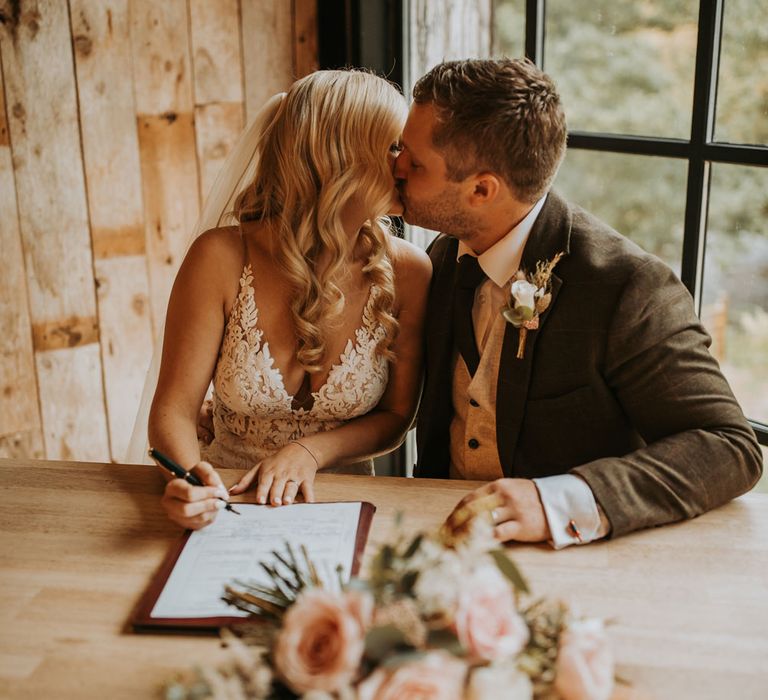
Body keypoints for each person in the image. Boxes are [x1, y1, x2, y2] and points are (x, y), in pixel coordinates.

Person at [393, 58, 762, 548]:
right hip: (439, 540)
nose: (394, 165)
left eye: (414, 163)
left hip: (568, 560)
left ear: (482, 189)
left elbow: (730, 447)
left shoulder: (627, 286)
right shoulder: (440, 256)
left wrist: (559, 502)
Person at [147, 70, 431, 530]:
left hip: (346, 508)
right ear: (340, 158)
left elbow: (398, 416)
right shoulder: (219, 257)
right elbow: (174, 410)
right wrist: (188, 480)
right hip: (228, 503)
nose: (408, 163)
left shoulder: (410, 272)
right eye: (395, 147)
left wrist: (309, 451)